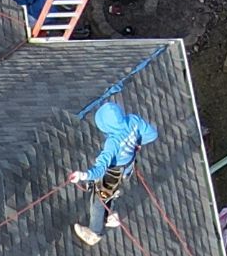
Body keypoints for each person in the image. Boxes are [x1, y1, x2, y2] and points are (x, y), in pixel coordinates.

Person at [67, 98, 159, 242]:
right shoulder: (133, 121)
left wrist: (82, 176)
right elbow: (152, 134)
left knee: (99, 200)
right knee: (111, 192)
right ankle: (109, 216)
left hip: (112, 174)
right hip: (127, 168)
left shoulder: (113, 143)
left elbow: (99, 170)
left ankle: (94, 233)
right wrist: (136, 144)